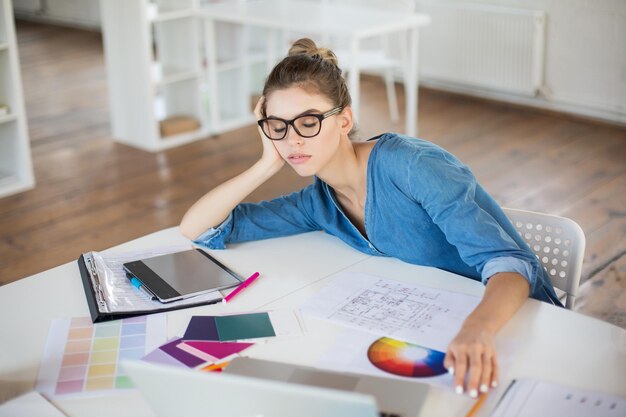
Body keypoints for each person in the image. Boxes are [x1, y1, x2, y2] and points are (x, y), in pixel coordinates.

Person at [180, 38, 561, 398]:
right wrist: (266, 163)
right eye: (278, 126)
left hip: (508, 327)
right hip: (428, 335)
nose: (292, 140)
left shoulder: (411, 166)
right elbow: (198, 229)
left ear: (345, 120)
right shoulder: (318, 202)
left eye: (308, 122)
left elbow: (510, 264)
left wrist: (477, 330)